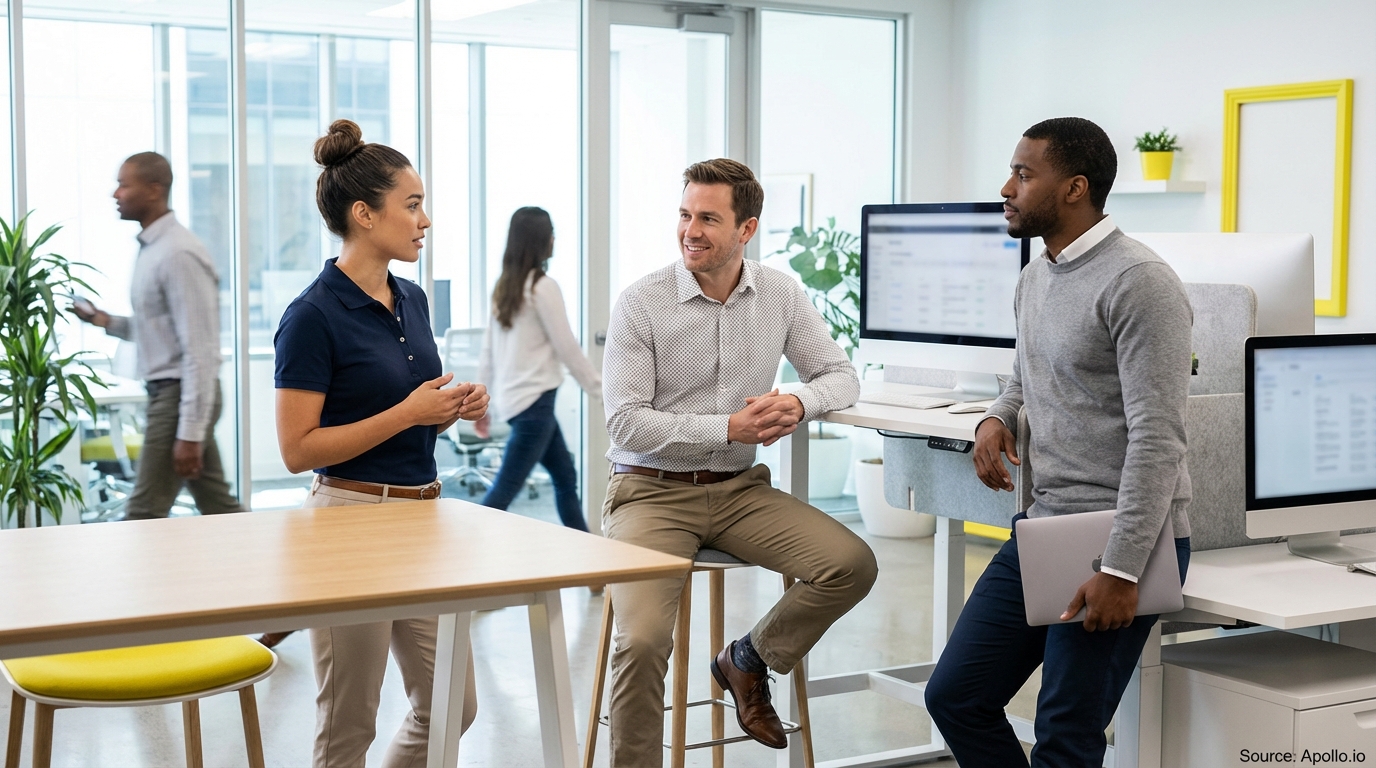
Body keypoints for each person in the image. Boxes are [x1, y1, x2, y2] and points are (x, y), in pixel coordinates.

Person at [922, 117, 1193, 767]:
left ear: (1074, 188)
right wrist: (997, 417)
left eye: (1023, 173)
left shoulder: (1140, 282)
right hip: (1044, 528)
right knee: (956, 696)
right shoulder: (1037, 276)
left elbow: (1159, 438)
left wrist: (1122, 568)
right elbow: (1025, 379)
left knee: (1066, 737)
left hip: (1119, 537)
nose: (1005, 187)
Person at [600, 158, 878, 767]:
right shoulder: (641, 303)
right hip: (649, 493)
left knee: (851, 565)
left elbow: (840, 374)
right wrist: (727, 425)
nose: (689, 231)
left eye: (707, 218)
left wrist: (797, 401)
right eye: (684, 215)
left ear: (746, 229)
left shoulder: (779, 293)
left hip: (739, 491)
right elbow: (624, 422)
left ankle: (748, 659)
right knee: (643, 640)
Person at [273, 119, 488, 768]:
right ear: (365, 214)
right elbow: (298, 450)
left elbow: (415, 412)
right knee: (348, 726)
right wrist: (408, 411)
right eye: (413, 204)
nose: (425, 219)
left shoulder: (412, 298)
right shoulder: (311, 315)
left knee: (455, 704)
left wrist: (448, 409)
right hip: (348, 525)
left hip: (421, 517)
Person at [71, 151, 245, 520]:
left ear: (154, 190)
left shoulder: (178, 253)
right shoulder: (154, 249)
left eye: (123, 184)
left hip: (180, 393)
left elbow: (200, 350)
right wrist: (104, 321)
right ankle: (268, 570)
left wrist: (190, 432)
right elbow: (158, 330)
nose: (115, 193)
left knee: (142, 513)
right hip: (172, 393)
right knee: (218, 505)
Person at [474, 206, 601, 531]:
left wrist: (483, 403)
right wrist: (602, 391)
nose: (555, 239)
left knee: (565, 479)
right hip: (534, 407)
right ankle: (456, 558)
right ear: (541, 240)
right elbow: (567, 347)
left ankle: (594, 576)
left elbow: (489, 352)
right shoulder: (543, 287)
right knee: (502, 494)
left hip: (521, 404)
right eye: (551, 232)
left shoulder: (506, 287)